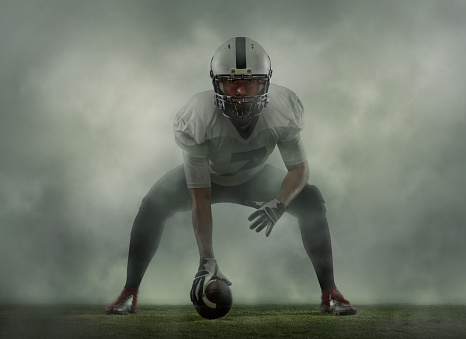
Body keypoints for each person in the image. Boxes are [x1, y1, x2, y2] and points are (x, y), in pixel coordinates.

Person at [105, 37, 357, 316]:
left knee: (310, 200)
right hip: (209, 177)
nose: (240, 91)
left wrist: (280, 202)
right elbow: (200, 196)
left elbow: (299, 169)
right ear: (216, 83)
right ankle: (129, 293)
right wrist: (207, 260)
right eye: (231, 82)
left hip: (257, 178)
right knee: (153, 205)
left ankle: (329, 293)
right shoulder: (197, 117)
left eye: (250, 82)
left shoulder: (283, 109)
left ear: (265, 83)